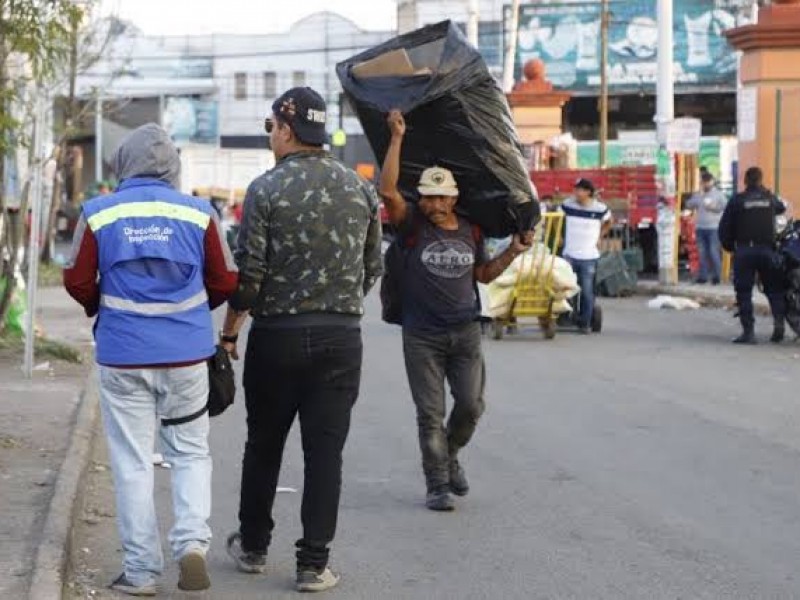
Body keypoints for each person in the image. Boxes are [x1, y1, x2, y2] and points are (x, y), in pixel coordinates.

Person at [63, 123, 239, 596]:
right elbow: (225, 279)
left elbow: (76, 278)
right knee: (189, 453)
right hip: (186, 357)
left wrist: (103, 304)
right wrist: (190, 310)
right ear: (173, 166)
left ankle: (141, 571)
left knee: (133, 462)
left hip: (124, 358)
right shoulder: (200, 213)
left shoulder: (99, 213)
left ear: (123, 162)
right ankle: (192, 545)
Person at [219, 87, 383, 593]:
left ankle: (252, 546)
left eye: (271, 127)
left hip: (277, 340)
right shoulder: (360, 191)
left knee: (263, 445)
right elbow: (371, 268)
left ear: (287, 130)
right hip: (340, 340)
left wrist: (229, 335)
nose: (271, 136)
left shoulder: (265, 191)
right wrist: (334, 303)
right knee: (324, 453)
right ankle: (313, 564)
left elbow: (249, 278)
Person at [379, 109, 534, 512]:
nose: (434, 203)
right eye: (428, 196)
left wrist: (514, 251)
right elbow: (388, 192)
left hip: (465, 331)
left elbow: (483, 274)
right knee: (430, 413)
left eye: (441, 196)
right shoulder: (411, 226)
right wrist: (397, 138)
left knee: (471, 406)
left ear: (454, 197)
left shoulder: (472, 230)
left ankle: (448, 456)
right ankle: (437, 484)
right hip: (422, 335)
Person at [719, 166, 787, 344]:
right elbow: (782, 208)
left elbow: (724, 228)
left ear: (745, 181)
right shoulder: (770, 199)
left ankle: (748, 332)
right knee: (774, 289)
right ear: (761, 180)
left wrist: (730, 248)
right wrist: (767, 193)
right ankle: (779, 325)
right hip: (767, 250)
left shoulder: (737, 200)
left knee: (744, 292)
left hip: (745, 251)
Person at [559, 178, 612, 334]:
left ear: (588, 192)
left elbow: (609, 221)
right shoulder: (567, 205)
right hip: (569, 254)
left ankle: (585, 322)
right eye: (575, 190)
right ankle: (566, 317)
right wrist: (560, 237)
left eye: (579, 190)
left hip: (589, 257)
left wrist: (600, 236)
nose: (576, 193)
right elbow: (556, 219)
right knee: (567, 289)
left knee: (587, 291)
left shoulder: (600, 209)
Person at [686, 171, 727, 284]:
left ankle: (716, 276)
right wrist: (696, 198)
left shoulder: (718, 194)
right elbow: (689, 204)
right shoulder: (699, 194)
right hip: (700, 227)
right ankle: (703, 276)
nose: (706, 184)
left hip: (714, 227)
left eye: (708, 182)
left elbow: (725, 206)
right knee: (701, 252)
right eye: (704, 182)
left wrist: (714, 207)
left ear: (712, 182)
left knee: (713, 251)